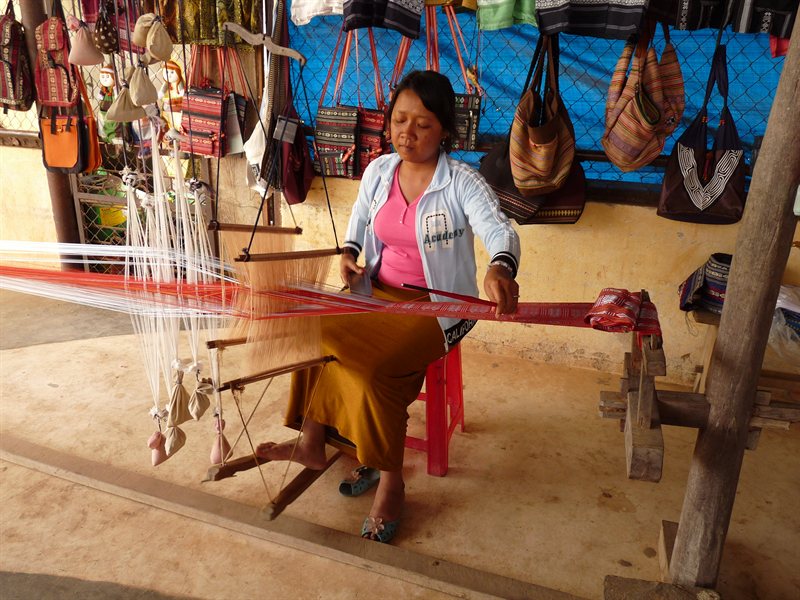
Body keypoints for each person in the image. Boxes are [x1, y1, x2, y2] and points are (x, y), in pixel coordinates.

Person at [256, 70, 520, 543]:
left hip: (435, 308)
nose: (407, 132)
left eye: (422, 123)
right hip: (375, 294)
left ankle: (391, 479)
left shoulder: (462, 182)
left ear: (444, 131)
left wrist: (500, 267)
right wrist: (350, 254)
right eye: (400, 119)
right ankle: (314, 443)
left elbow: (500, 230)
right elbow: (359, 221)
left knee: (375, 368)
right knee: (314, 331)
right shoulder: (379, 170)